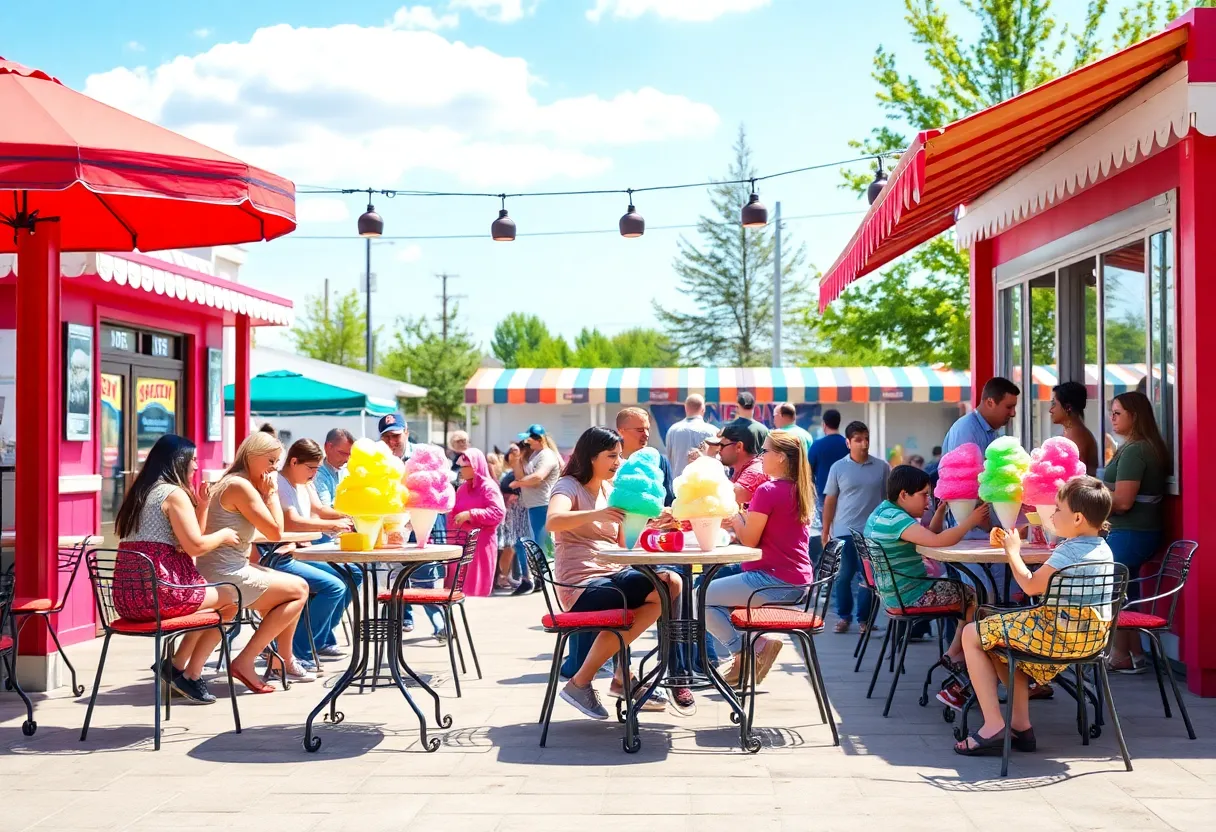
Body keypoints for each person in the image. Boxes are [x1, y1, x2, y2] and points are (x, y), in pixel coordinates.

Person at [954, 478, 1115, 755]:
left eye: (1057, 509)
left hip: (1056, 636)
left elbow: (1029, 584)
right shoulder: (1103, 549)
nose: (1052, 514)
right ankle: (1020, 727)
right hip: (1090, 640)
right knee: (998, 641)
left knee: (972, 633)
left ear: (1077, 518)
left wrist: (1013, 552)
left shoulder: (1069, 551)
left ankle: (993, 726)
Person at [552, 426, 678, 719]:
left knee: (670, 583)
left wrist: (653, 523)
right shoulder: (568, 486)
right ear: (590, 457)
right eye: (611, 455)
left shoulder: (611, 490)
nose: (618, 462)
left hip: (611, 574)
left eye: (620, 455)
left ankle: (622, 675)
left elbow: (622, 543)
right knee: (659, 589)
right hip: (580, 584)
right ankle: (586, 681)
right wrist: (597, 514)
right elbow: (553, 521)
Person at [114, 434, 242, 704]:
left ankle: (175, 667)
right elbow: (195, 546)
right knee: (231, 600)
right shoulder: (174, 494)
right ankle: (188, 672)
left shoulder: (139, 493)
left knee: (213, 599)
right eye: (193, 459)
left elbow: (187, 541)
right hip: (161, 594)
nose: (196, 465)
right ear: (178, 461)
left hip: (127, 598)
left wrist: (203, 505)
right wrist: (225, 535)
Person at [863, 465, 989, 708]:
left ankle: (956, 655)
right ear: (903, 495)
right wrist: (971, 520)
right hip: (911, 594)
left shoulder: (884, 513)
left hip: (894, 593)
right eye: (923, 495)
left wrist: (941, 510)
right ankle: (959, 656)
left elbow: (927, 535)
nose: (928, 501)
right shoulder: (897, 519)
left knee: (968, 595)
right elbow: (938, 541)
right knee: (975, 597)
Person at [197, 431, 311, 693]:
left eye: (277, 463)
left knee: (289, 588)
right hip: (227, 574)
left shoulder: (230, 481)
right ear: (251, 456)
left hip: (216, 568)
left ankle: (279, 659)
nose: (273, 469)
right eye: (270, 461)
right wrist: (271, 495)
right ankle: (247, 660)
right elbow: (275, 533)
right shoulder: (241, 486)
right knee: (299, 590)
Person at [703, 430, 816, 687]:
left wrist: (735, 517)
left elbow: (750, 540)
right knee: (712, 597)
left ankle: (749, 651)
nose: (760, 456)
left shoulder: (768, 490)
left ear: (781, 458)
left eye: (765, 451)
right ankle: (753, 649)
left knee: (699, 597)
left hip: (773, 580)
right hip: (796, 580)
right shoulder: (801, 488)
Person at [273, 439, 354, 670]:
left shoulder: (305, 482)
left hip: (302, 550)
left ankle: (321, 635)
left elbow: (319, 509)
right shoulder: (279, 483)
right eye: (311, 468)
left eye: (318, 469)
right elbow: (291, 520)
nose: (314, 474)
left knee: (354, 574)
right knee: (335, 586)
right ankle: (298, 648)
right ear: (294, 461)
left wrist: (349, 515)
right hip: (286, 553)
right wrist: (328, 527)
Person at [1104, 391, 1169, 673]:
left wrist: (1088, 499)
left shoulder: (1135, 450)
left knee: (1106, 586)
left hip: (1131, 532)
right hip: (1139, 532)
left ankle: (1119, 654)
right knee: (1123, 590)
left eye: (1118, 413)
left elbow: (1122, 501)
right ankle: (1134, 656)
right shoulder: (1138, 446)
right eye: (1112, 412)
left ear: (1135, 416)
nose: (1112, 417)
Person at [822, 421, 889, 634]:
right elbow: (830, 500)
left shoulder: (882, 467)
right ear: (848, 443)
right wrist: (825, 531)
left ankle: (865, 620)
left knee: (870, 578)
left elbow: (888, 499)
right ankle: (844, 617)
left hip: (872, 533)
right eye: (858, 439)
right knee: (843, 577)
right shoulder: (838, 468)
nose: (864, 443)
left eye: (866, 438)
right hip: (844, 531)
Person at [508, 424, 561, 595]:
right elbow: (521, 476)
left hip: (542, 504)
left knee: (541, 543)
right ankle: (537, 578)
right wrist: (516, 460)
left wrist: (519, 484)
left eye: (529, 438)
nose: (525, 442)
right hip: (532, 504)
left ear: (539, 439)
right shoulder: (535, 455)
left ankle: (543, 578)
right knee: (533, 543)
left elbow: (538, 478)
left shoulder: (547, 456)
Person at [450, 447, 506, 597]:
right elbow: (454, 512)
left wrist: (471, 514)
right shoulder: (462, 489)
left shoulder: (488, 487)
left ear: (475, 466)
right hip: (461, 543)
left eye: (464, 466)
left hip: (481, 545)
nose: (461, 470)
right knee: (456, 589)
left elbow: (498, 513)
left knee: (476, 588)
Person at [807, 409, 848, 568]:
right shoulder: (846, 445)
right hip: (845, 495)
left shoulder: (817, 445)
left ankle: (830, 565)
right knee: (842, 531)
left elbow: (808, 473)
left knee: (826, 532)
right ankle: (843, 561)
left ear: (824, 425)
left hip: (824, 496)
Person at [616, 408, 675, 505]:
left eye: (647, 429)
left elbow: (669, 500)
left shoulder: (659, 461)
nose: (646, 434)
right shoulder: (611, 461)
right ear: (621, 431)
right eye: (640, 430)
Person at [496, 444, 533, 590]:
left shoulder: (524, 471)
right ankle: (505, 576)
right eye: (510, 450)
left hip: (518, 513)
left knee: (514, 546)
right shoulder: (508, 473)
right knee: (509, 546)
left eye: (515, 450)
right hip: (510, 513)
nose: (512, 452)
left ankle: (516, 576)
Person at [1050, 381, 1099, 475]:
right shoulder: (1073, 432)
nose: (1050, 410)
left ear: (1068, 407)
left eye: (1054, 404)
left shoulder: (1075, 435)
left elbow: (1076, 477)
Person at [717, 422, 770, 508]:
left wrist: (708, 465)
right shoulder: (742, 468)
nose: (719, 450)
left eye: (722, 445)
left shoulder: (755, 472)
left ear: (739, 447)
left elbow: (726, 497)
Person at [664, 394, 719, 477]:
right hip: (706, 484)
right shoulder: (713, 431)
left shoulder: (673, 430)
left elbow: (668, 460)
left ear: (685, 408)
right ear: (703, 409)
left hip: (678, 485)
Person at [313, 428, 354, 509]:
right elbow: (326, 508)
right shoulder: (317, 474)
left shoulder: (347, 470)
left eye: (349, 455)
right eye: (342, 453)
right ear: (328, 447)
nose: (347, 459)